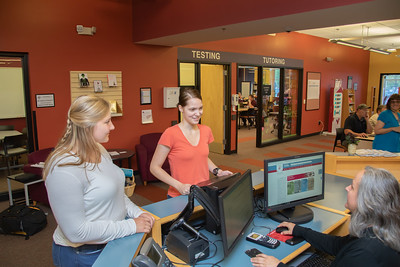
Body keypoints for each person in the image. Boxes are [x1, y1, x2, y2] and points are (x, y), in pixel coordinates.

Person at [44, 95, 154, 266]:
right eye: (107, 122)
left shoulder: (99, 149)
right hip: (82, 254)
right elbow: (77, 232)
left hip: (112, 241)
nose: (112, 126)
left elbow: (116, 193)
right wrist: (132, 226)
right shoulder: (63, 168)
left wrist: (137, 213)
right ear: (87, 126)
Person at [251, 166, 400, 267]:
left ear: (368, 202)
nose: (347, 188)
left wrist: (277, 265)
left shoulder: (363, 255)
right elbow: (337, 245)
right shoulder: (378, 229)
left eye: (353, 187)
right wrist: (300, 230)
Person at [150, 87, 232, 197]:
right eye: (192, 109)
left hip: (203, 192)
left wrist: (218, 171)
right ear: (181, 108)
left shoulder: (206, 130)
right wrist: (179, 186)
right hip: (180, 195)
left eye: (200, 108)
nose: (198, 113)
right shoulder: (170, 134)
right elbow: (154, 167)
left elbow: (201, 156)